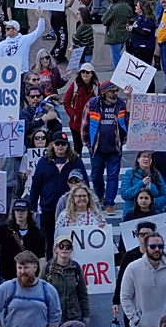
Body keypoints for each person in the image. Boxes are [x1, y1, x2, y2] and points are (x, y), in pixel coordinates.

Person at [29, 132, 88, 258]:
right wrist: (33, 207)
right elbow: (36, 185)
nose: (60, 146)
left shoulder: (76, 161)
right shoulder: (43, 162)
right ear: (52, 145)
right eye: (58, 143)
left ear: (68, 145)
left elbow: (85, 184)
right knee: (50, 241)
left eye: (63, 144)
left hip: (72, 208)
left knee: (71, 240)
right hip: (48, 208)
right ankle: (52, 267)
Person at [82, 80, 127, 217]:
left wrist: (122, 141)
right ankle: (100, 196)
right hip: (97, 148)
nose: (115, 94)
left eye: (116, 91)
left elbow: (126, 122)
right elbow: (84, 125)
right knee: (96, 176)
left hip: (114, 149)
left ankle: (109, 203)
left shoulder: (120, 104)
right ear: (104, 92)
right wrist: (88, 145)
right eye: (112, 91)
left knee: (113, 176)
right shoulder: (93, 104)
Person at [63, 64, 98, 156]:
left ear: (92, 74)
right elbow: (66, 102)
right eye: (83, 72)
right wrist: (73, 115)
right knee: (78, 148)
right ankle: (77, 168)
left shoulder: (97, 87)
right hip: (77, 122)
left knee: (93, 148)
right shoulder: (75, 85)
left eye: (87, 72)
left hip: (92, 122)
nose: (85, 74)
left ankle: (95, 168)